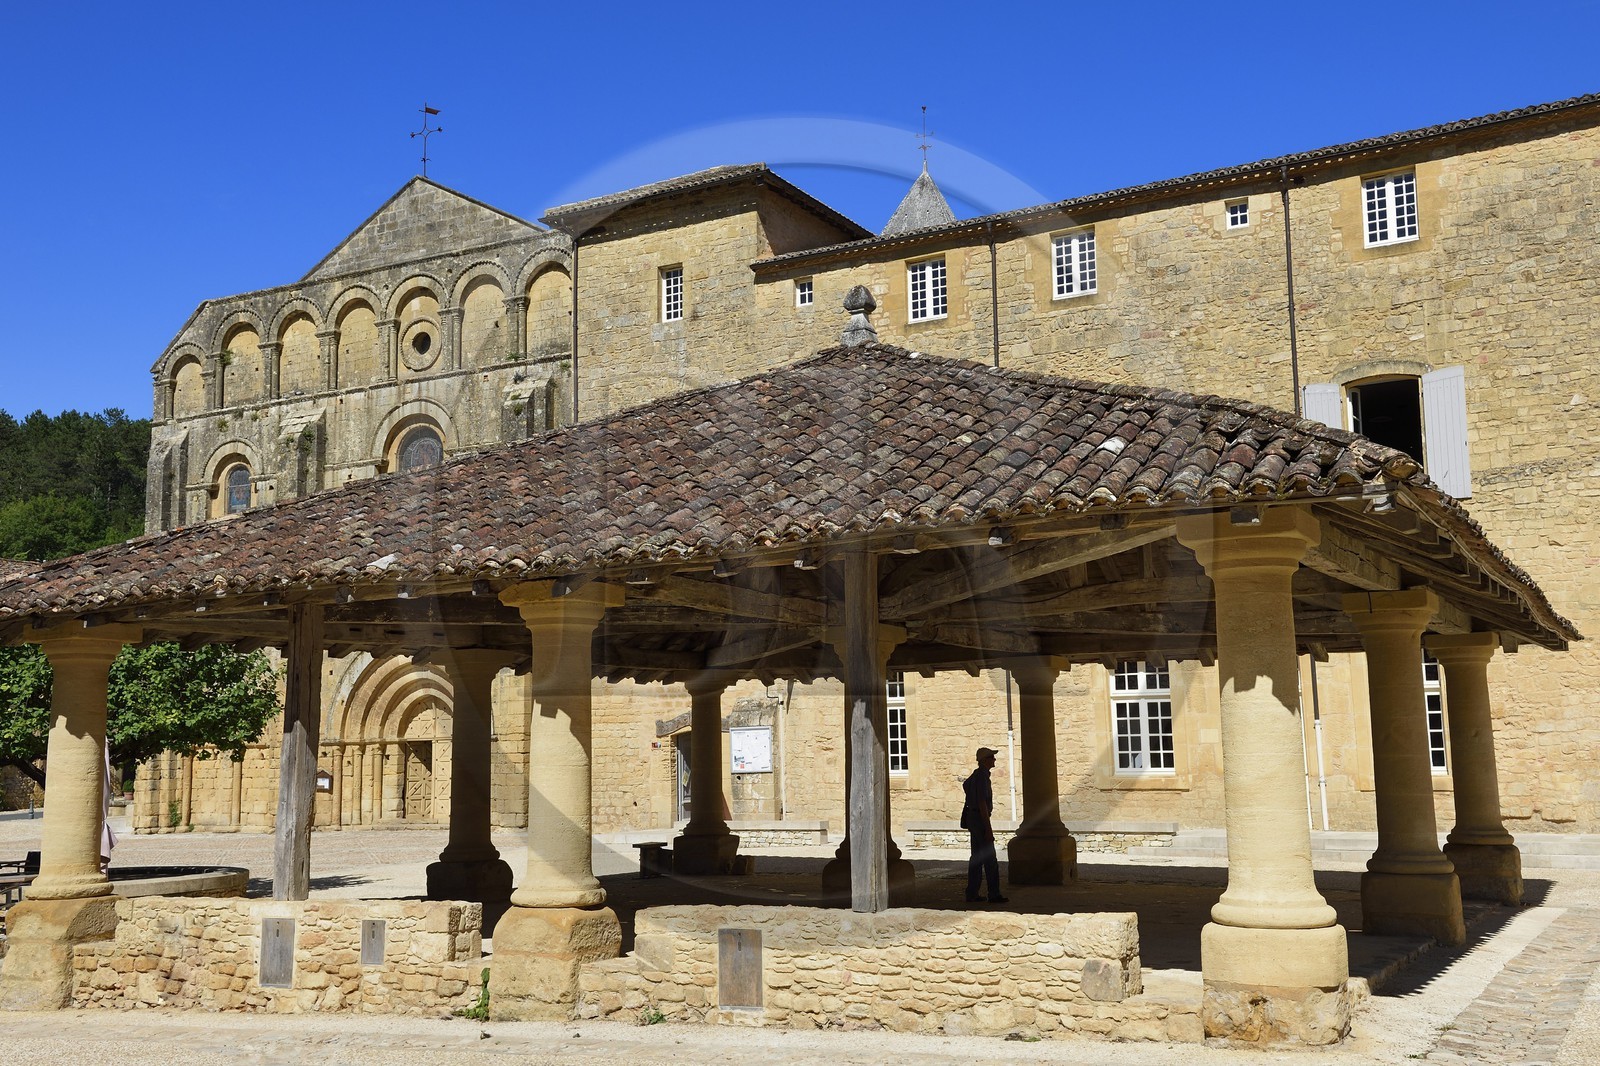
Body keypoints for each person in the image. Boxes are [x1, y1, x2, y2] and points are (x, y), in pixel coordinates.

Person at [961, 746, 1007, 903]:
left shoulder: (976, 775)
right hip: (979, 819)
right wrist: (988, 828)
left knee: (976, 858)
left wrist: (971, 798)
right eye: (991, 757)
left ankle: (972, 893)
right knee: (990, 858)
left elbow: (965, 785)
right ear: (984, 760)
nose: (994, 760)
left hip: (972, 818)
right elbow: (982, 803)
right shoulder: (981, 777)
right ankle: (993, 894)